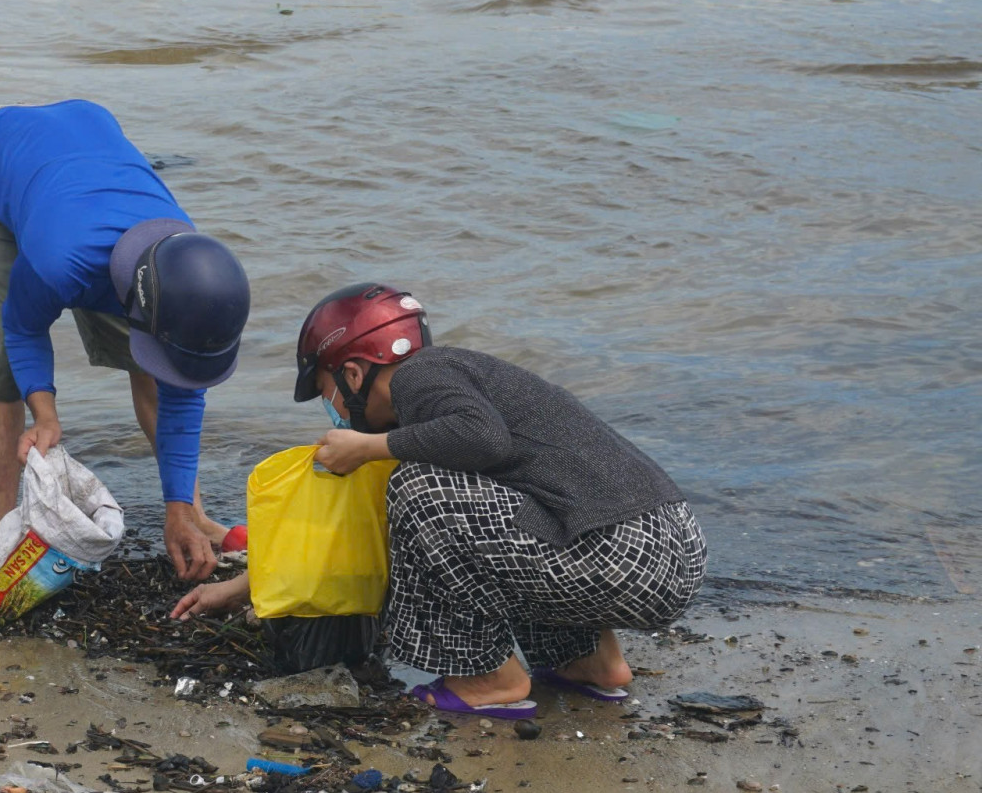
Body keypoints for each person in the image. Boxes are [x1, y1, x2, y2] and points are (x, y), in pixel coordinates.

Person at [174, 284, 704, 719]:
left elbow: (484, 440)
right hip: (666, 546)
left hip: (625, 555)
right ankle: (590, 664)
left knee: (420, 490)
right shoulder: (460, 383)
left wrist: (369, 446)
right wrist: (248, 586)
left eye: (327, 390)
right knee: (514, 516)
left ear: (354, 373)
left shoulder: (421, 376)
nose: (331, 408)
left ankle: (488, 680)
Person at [0, 100, 249, 581]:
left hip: (82, 153)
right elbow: (24, 328)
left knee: (158, 361)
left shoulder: (184, 264)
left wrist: (174, 508)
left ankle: (191, 513)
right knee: (6, 366)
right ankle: (0, 536)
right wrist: (44, 412)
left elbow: (183, 391)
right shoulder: (60, 262)